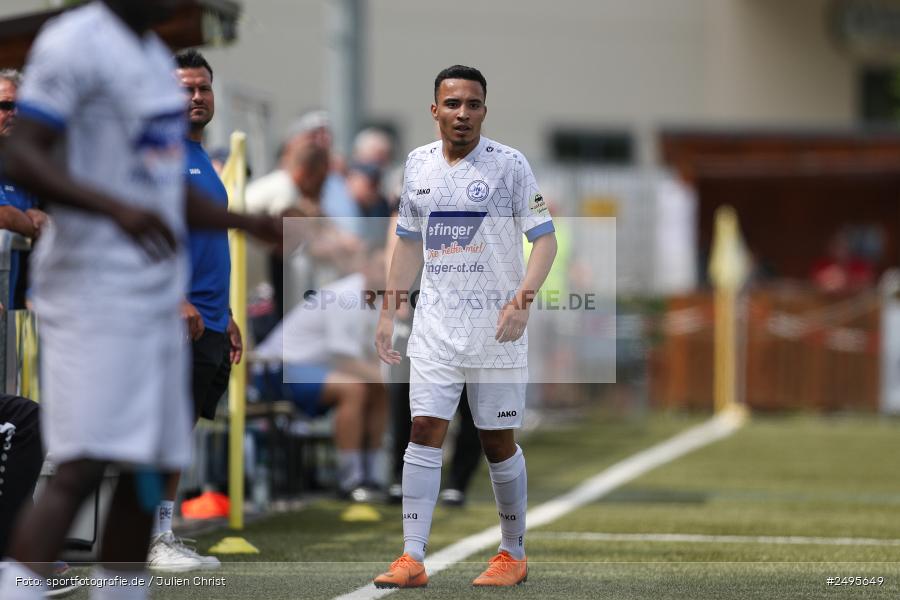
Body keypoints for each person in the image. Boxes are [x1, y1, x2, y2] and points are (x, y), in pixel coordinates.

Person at [0, 2, 279, 599]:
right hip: (88, 289)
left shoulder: (154, 61)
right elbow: (23, 153)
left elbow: (164, 189)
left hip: (148, 295)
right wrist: (114, 208)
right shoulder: (73, 42)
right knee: (83, 464)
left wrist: (246, 220)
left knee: (145, 467)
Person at [373, 65, 557, 588]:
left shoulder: (509, 165)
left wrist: (522, 300)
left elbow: (545, 240)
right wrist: (389, 310)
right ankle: (411, 557)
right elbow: (408, 244)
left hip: (495, 330)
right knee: (424, 431)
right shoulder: (416, 166)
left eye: (472, 104)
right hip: (435, 328)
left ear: (484, 110)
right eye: (452, 104)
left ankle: (512, 553)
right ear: (435, 110)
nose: (463, 114)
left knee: (496, 441)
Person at [145, 48, 240, 572]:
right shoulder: (159, 155)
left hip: (207, 318)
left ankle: (162, 532)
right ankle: (148, 539)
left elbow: (206, 245)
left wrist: (226, 313)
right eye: (184, 88)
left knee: (178, 430)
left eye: (202, 88)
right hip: (170, 317)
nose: (196, 97)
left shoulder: (202, 158)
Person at [253, 249, 388, 500]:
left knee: (379, 390)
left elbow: (370, 358)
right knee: (356, 388)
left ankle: (374, 476)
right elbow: (345, 360)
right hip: (274, 368)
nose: (389, 272)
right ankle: (351, 481)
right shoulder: (345, 296)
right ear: (366, 267)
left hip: (305, 368)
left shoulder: (377, 301)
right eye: (383, 266)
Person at [0, 69, 49, 308]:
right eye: (6, 106)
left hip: (19, 311)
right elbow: (4, 216)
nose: (15, 114)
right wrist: (34, 224)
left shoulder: (23, 165)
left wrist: (42, 217)